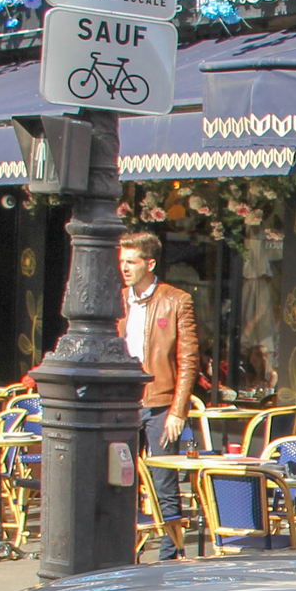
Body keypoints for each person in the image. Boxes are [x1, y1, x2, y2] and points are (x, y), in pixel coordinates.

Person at [115, 231, 198, 560]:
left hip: (160, 403)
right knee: (122, 481)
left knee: (164, 482)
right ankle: (125, 551)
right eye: (121, 261)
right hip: (123, 402)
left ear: (150, 263)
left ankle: (169, 554)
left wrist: (178, 411)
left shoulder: (176, 300)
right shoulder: (119, 299)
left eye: (131, 262)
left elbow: (188, 360)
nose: (124, 268)